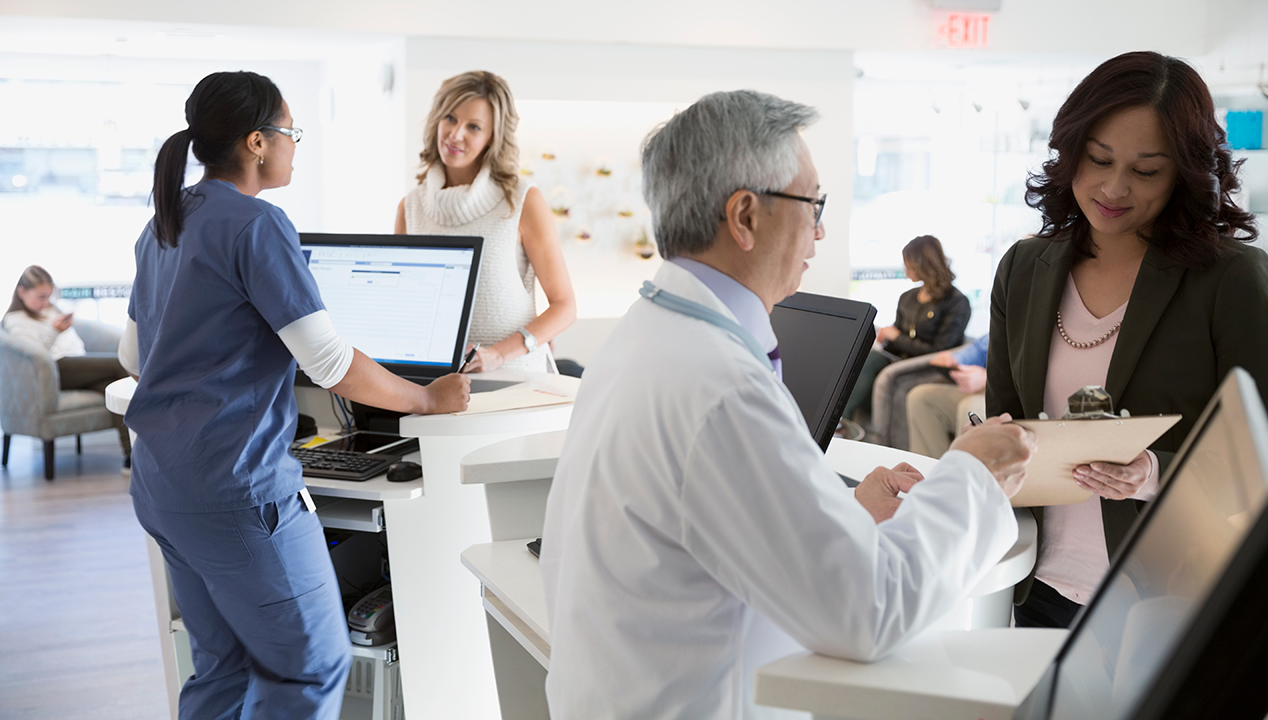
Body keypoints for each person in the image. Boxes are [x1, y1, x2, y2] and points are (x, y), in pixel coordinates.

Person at [540, 89, 1035, 720]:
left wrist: (837, 514)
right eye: (814, 204)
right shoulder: (720, 385)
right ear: (745, 216)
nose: (820, 230)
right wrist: (973, 474)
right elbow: (871, 610)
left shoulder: (646, 334)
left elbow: (699, 523)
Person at [120, 71, 470, 719]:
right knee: (312, 668)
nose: (294, 146)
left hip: (163, 488)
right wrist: (427, 400)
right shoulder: (257, 224)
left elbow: (133, 357)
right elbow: (332, 361)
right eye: (290, 133)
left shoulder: (165, 222)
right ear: (257, 142)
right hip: (238, 492)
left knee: (219, 667)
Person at [988, 51, 1268, 629]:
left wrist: (1153, 473)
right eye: (1098, 159)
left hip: (1172, 598)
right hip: (1037, 586)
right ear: (1071, 153)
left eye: (1146, 171)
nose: (1114, 188)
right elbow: (1005, 421)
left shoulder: (1230, 279)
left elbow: (1258, 455)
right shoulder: (1024, 267)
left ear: (1185, 173)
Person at [395, 70, 575, 374]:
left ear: (493, 137)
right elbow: (406, 306)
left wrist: (498, 355)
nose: (455, 134)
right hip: (438, 387)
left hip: (515, 381)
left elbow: (565, 306)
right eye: (450, 118)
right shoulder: (410, 207)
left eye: (474, 127)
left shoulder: (522, 201)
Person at [3, 264, 132, 466]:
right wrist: (55, 330)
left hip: (76, 365)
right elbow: (34, 354)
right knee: (120, 364)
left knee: (113, 389)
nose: (46, 302)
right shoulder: (16, 320)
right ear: (22, 292)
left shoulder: (49, 310)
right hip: (56, 369)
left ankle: (131, 458)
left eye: (49, 296)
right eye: (41, 297)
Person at [843, 234, 970, 422]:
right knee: (862, 357)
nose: (906, 270)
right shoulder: (907, 297)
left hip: (926, 368)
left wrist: (896, 337)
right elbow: (896, 341)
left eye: (908, 265)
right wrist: (886, 337)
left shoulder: (956, 302)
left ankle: (840, 422)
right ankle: (843, 422)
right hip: (899, 362)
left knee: (870, 362)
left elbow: (940, 351)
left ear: (922, 265)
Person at [907, 335, 989, 458]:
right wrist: (954, 359)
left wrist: (989, 379)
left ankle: (958, 475)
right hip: (985, 391)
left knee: (970, 408)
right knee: (921, 398)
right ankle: (929, 472)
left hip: (1014, 398)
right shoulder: (1004, 321)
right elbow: (979, 349)